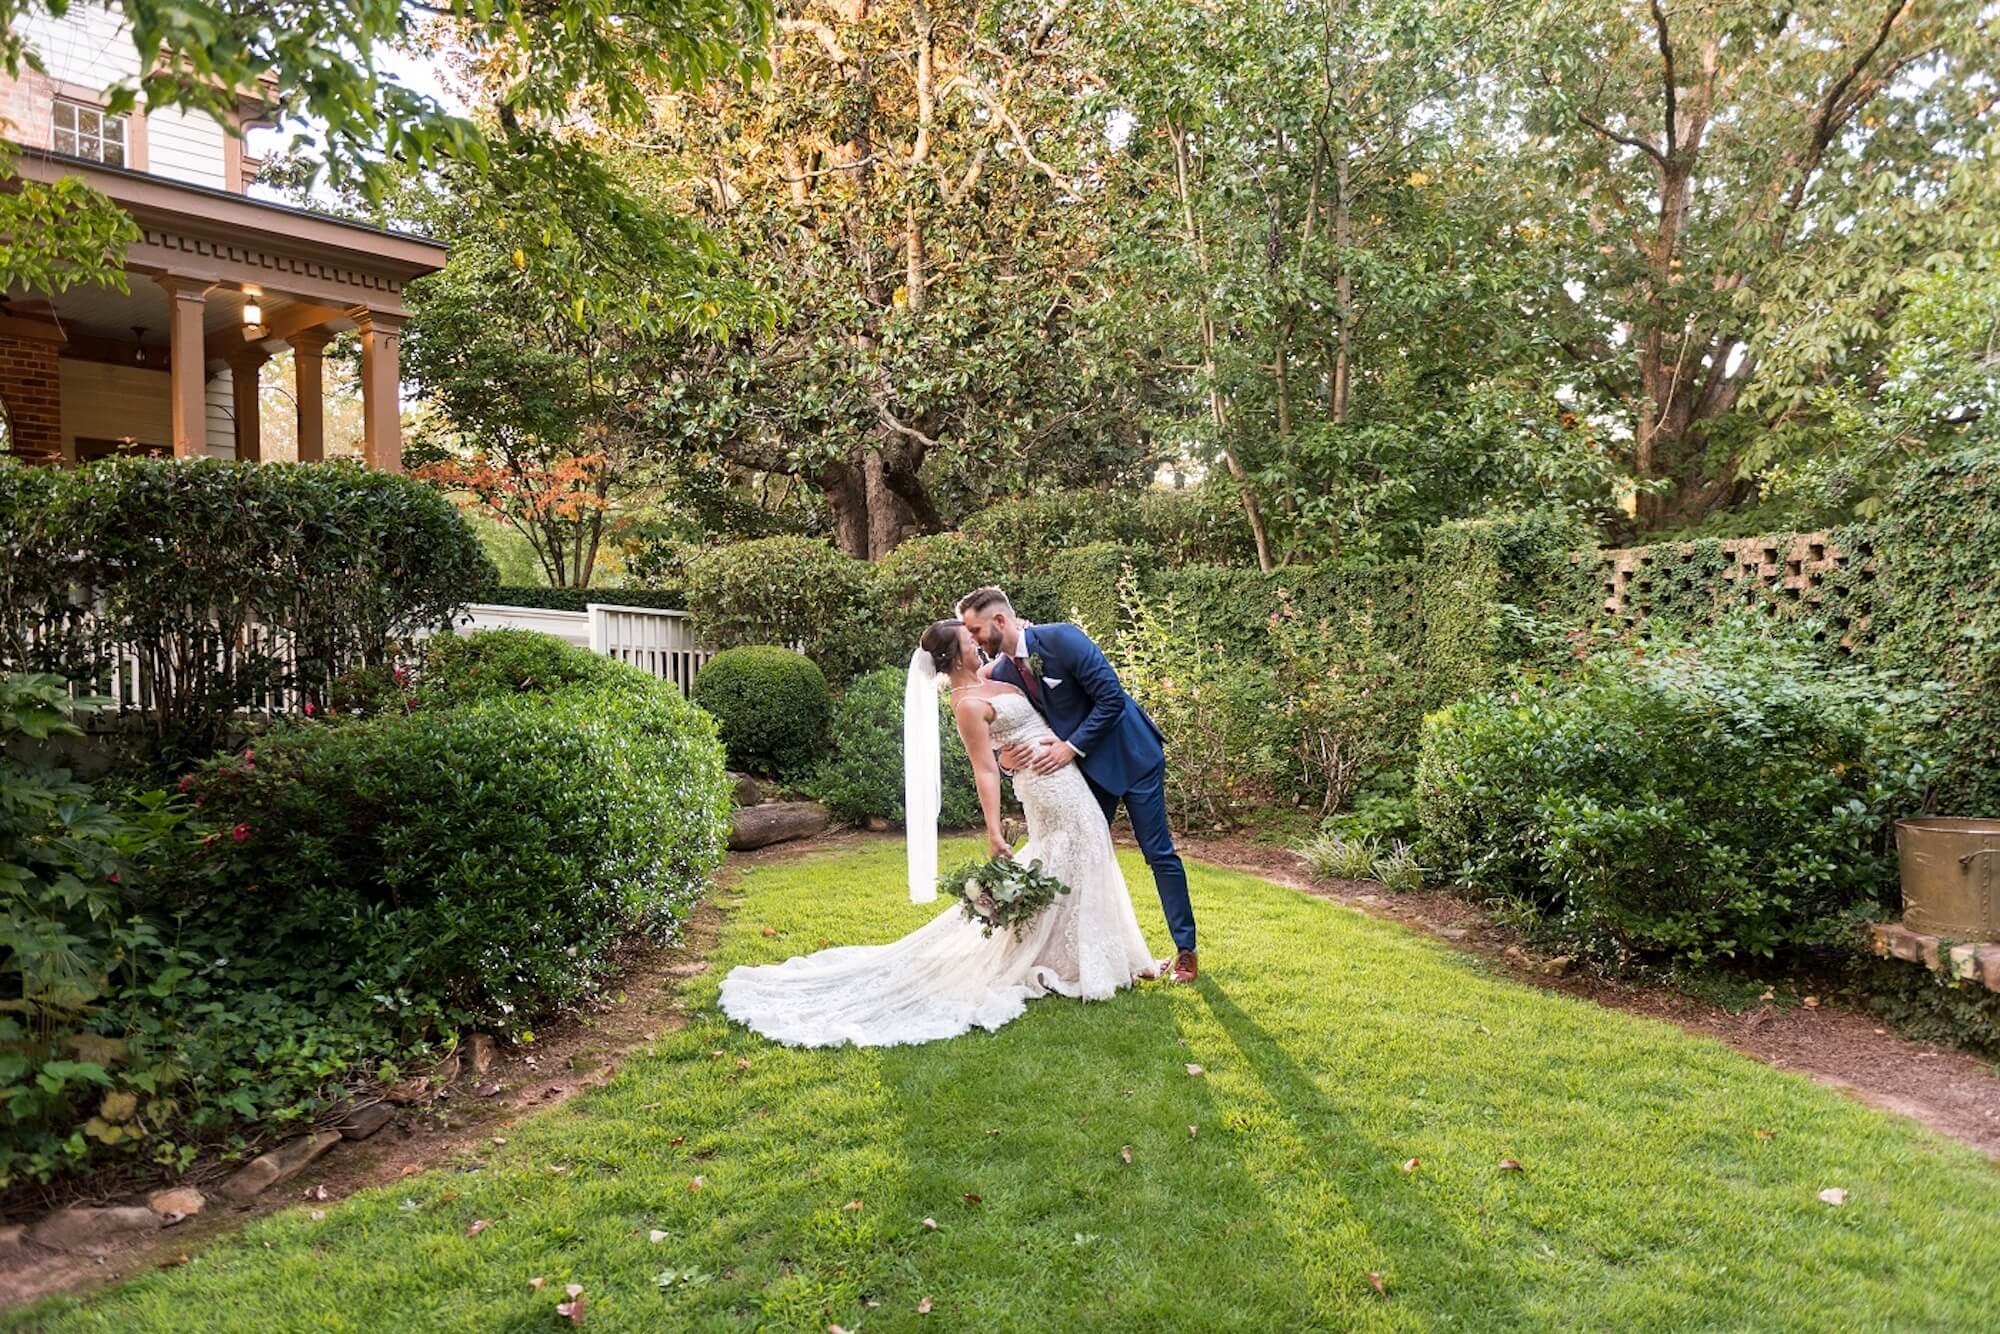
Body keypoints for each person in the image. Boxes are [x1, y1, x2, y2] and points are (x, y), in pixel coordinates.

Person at [716, 619, 1159, 1048]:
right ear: (956, 653)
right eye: (970, 636)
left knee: (1081, 855)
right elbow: (985, 767)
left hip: (1062, 773)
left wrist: (1016, 752)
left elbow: (1028, 709)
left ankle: (1087, 955)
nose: (978, 638)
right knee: (1075, 854)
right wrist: (993, 828)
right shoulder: (966, 703)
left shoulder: (993, 672)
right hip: (1046, 787)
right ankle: (1084, 961)